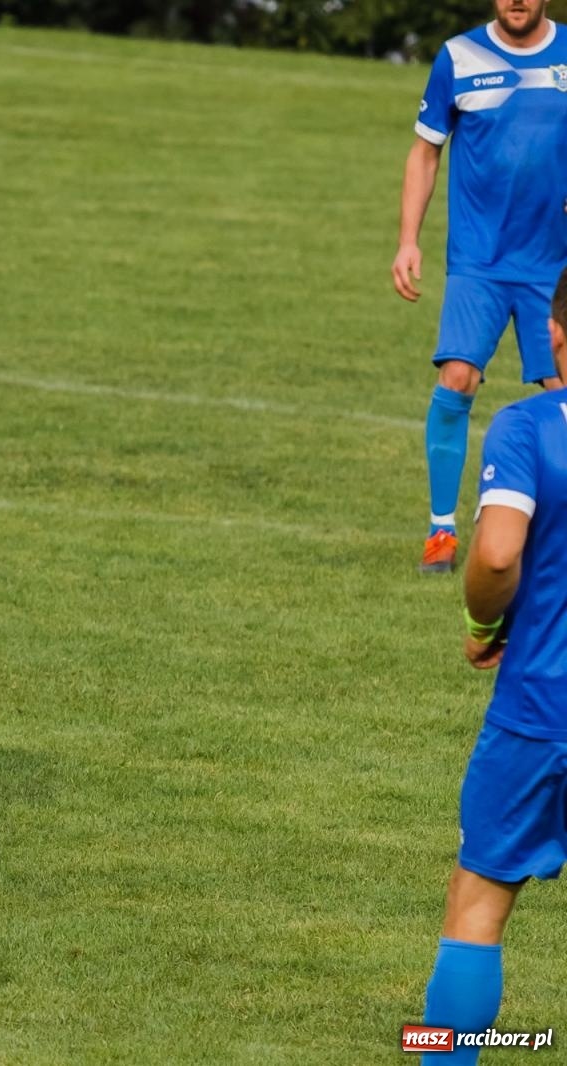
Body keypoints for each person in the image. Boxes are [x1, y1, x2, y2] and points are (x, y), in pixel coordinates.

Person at [416, 266, 567, 1064]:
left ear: (555, 337)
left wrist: (482, 620)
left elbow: (499, 551)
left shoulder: (529, 427)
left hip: (541, 709)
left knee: (479, 900)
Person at [392, 0, 567, 575]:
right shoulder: (458, 56)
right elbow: (425, 152)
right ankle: (442, 531)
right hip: (480, 263)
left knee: (562, 390)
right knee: (458, 377)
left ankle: (550, 531)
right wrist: (408, 240)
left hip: (553, 265)